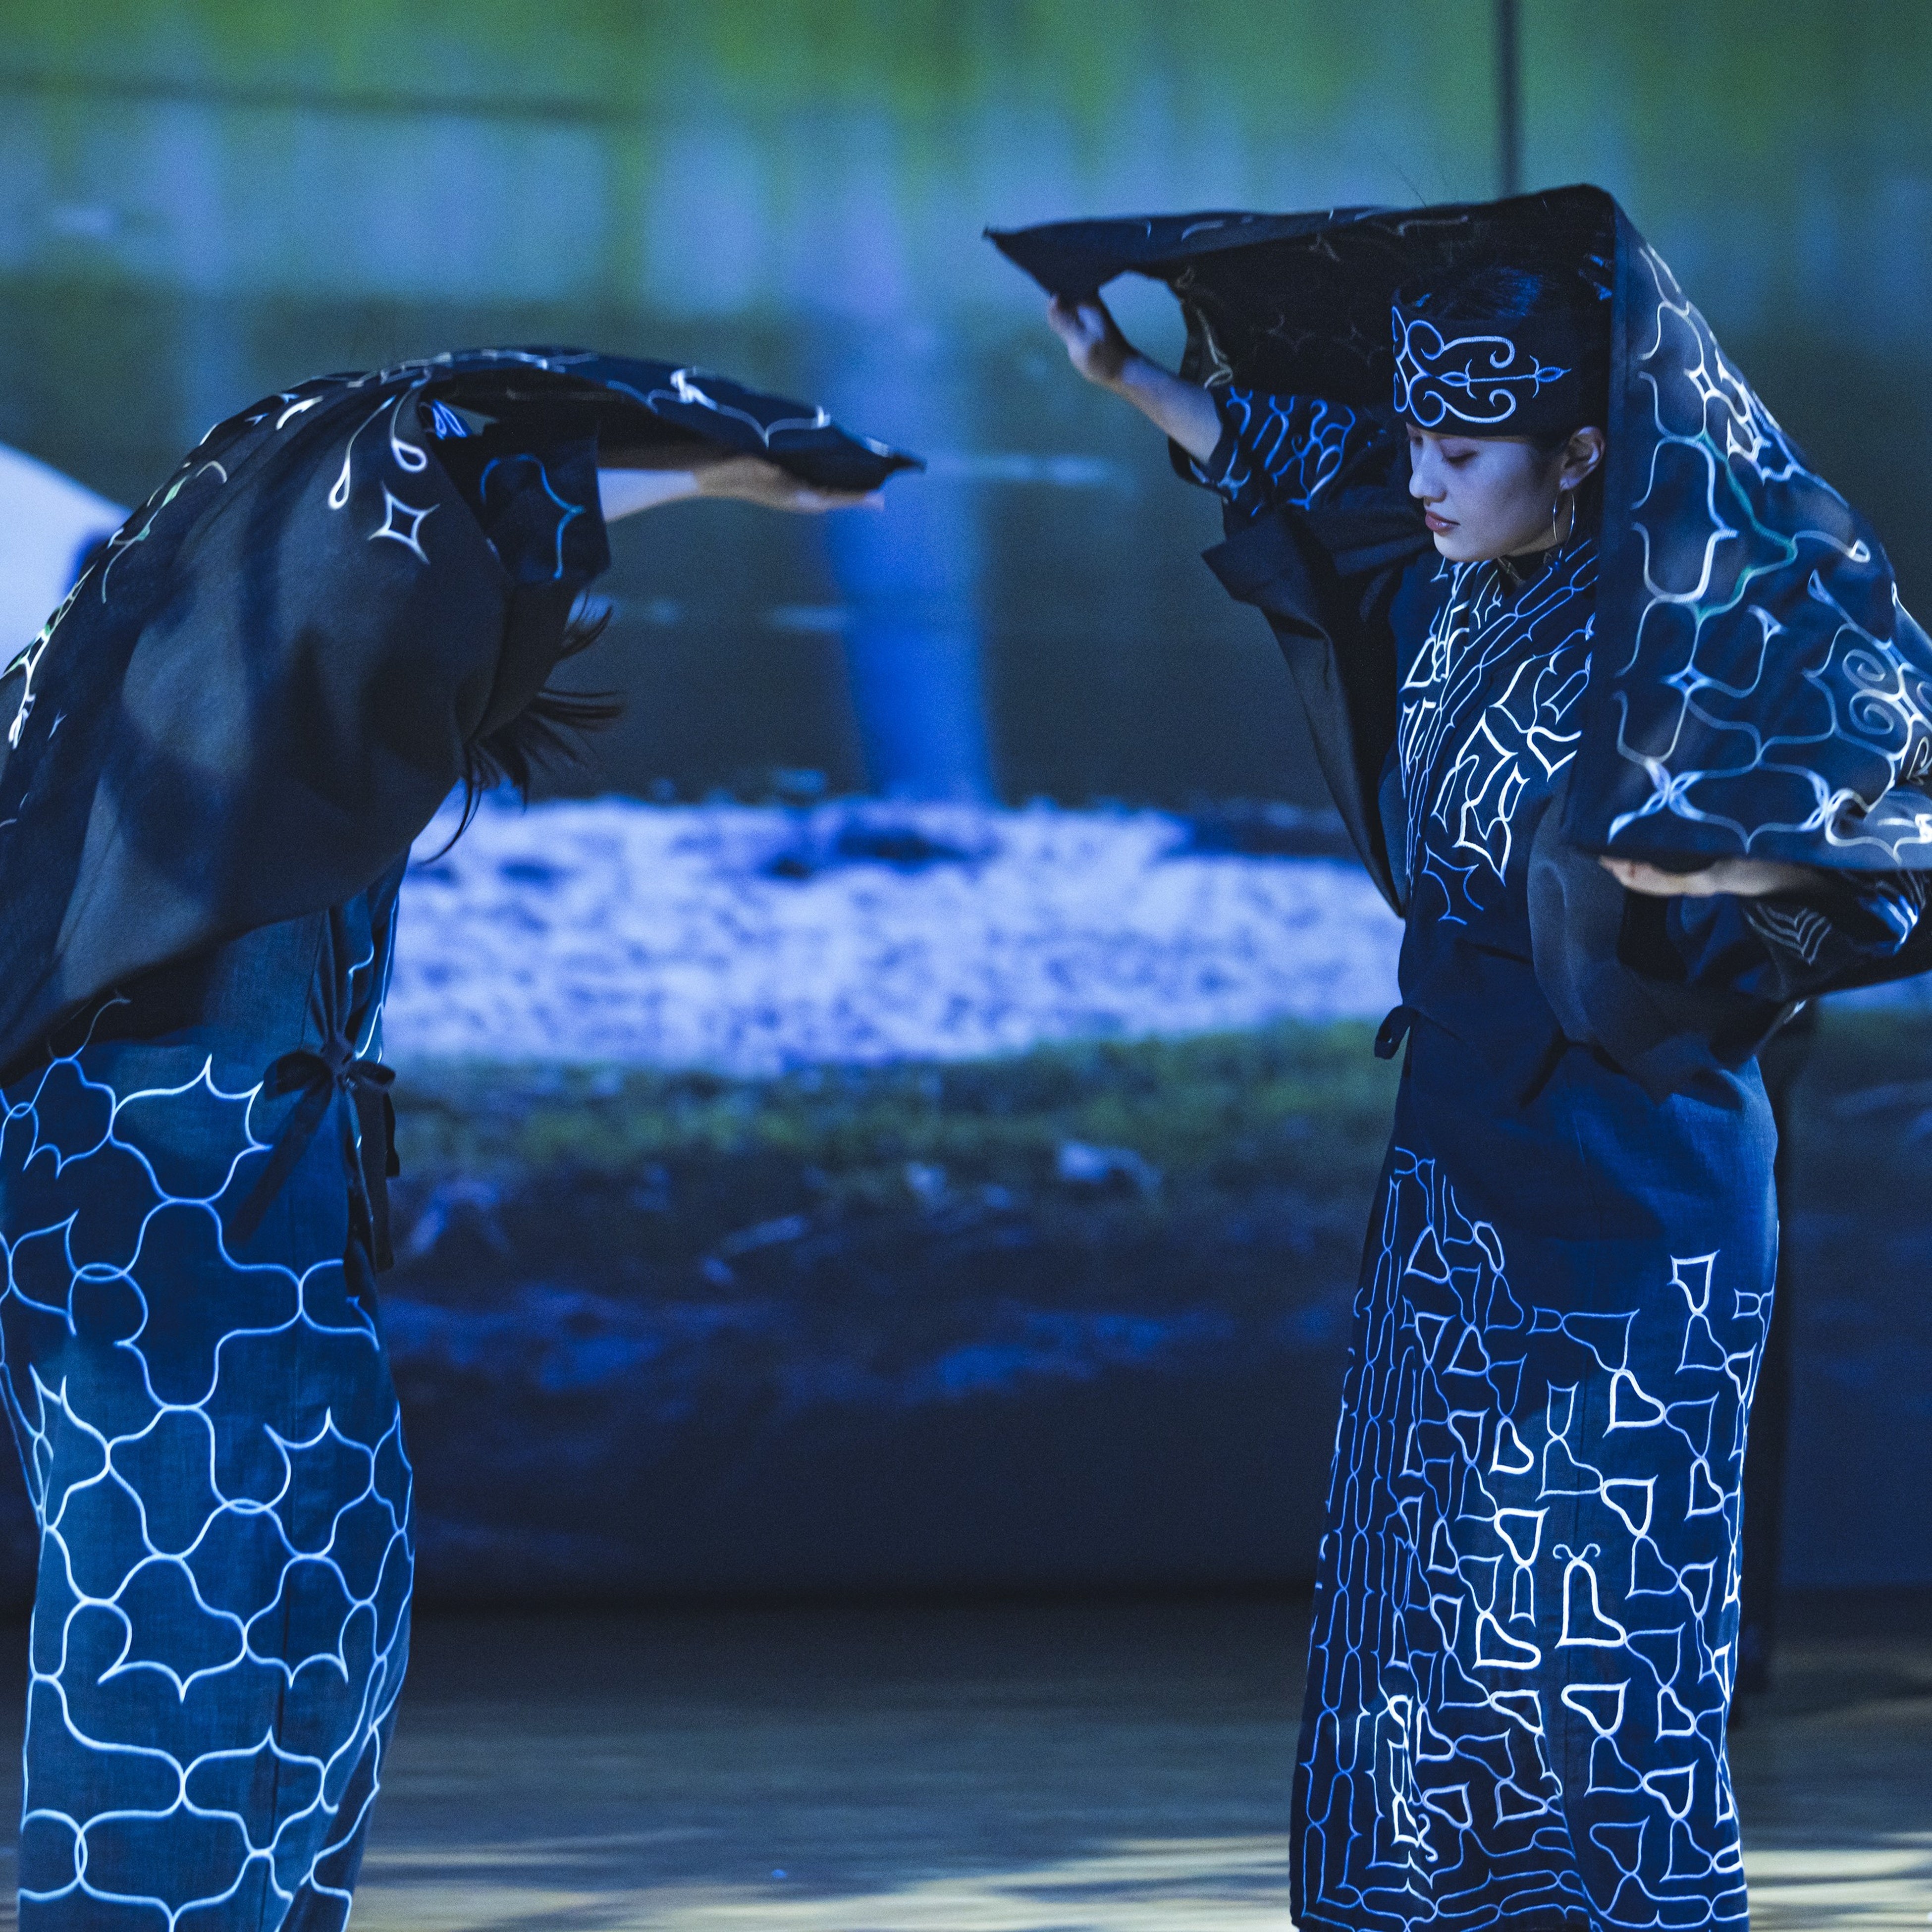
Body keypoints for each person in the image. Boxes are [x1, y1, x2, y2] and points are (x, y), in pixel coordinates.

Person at [997, 188, 1932, 1929]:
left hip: (1637, 1175)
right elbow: (1296, 466)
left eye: (1462, 446)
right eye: (1417, 436)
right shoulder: (1449, 567)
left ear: (1580, 453)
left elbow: (1893, 834)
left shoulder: (1694, 622)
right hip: (1455, 1154)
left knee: (1604, 1607)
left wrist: (1733, 873)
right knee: (1427, 1590)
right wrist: (1128, 377)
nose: (1421, 476)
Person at [0, 348, 912, 1929]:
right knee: (199, 1674)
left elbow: (424, 535)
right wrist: (697, 471)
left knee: (303, 1633)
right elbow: (412, 542)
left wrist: (691, 472)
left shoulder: (143, 739)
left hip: (229, 1276)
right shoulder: (210, 762)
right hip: (194, 1293)